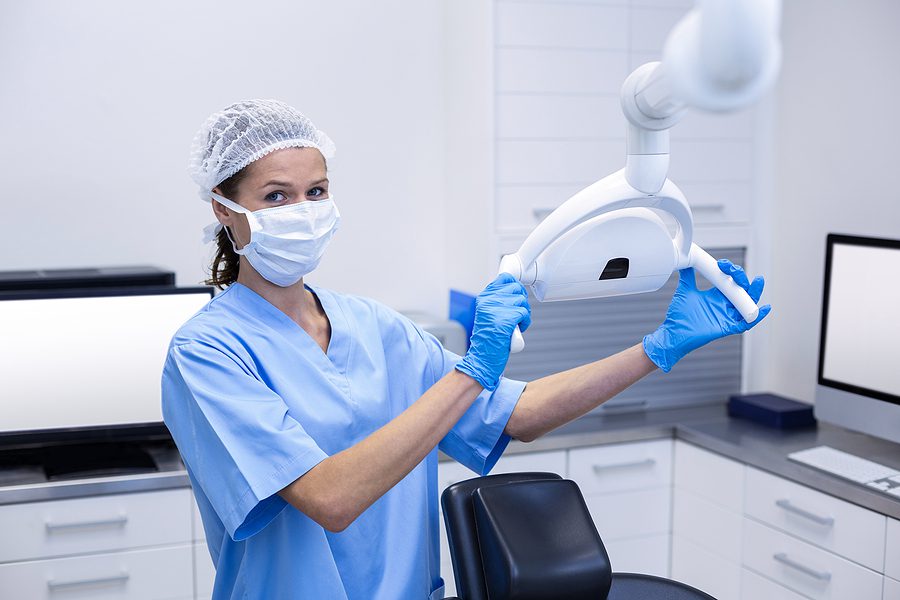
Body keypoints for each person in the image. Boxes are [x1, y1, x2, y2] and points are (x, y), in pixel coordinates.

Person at [162, 99, 770, 600]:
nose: (303, 213)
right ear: (224, 207)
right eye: (276, 196)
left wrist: (658, 347)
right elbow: (331, 497)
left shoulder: (373, 326)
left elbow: (518, 413)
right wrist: (473, 371)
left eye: (316, 192)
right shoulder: (207, 354)